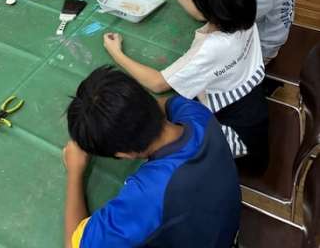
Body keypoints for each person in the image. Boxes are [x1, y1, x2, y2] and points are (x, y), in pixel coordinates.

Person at [103, 0, 269, 170]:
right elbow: (200, 14)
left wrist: (116, 53)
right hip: (251, 102)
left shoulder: (212, 48)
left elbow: (158, 83)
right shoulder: (242, 12)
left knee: (161, 118)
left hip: (237, 136)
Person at [64, 66, 241, 248]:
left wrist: (75, 170)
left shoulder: (149, 195)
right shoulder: (196, 114)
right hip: (227, 228)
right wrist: (128, 110)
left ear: (125, 154)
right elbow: (166, 103)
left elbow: (73, 244)